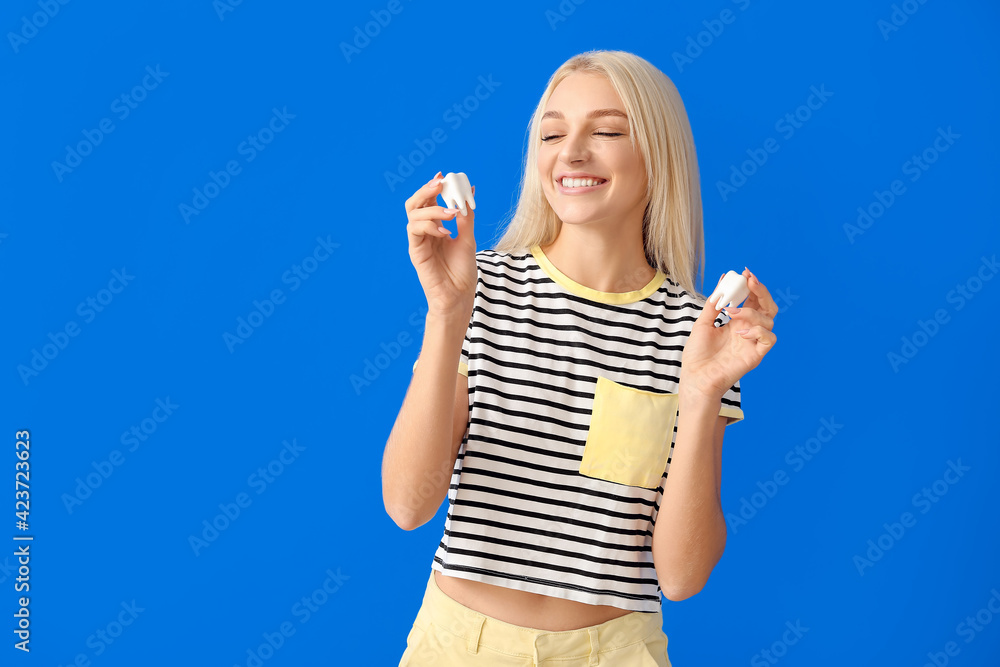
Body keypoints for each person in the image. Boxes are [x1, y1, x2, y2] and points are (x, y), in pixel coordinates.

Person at [383, 49, 778, 667]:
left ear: (656, 155)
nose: (570, 153)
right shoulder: (475, 289)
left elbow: (681, 577)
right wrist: (446, 317)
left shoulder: (697, 332)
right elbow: (409, 505)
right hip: (458, 646)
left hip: (616, 652)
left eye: (608, 131)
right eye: (552, 133)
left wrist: (700, 395)